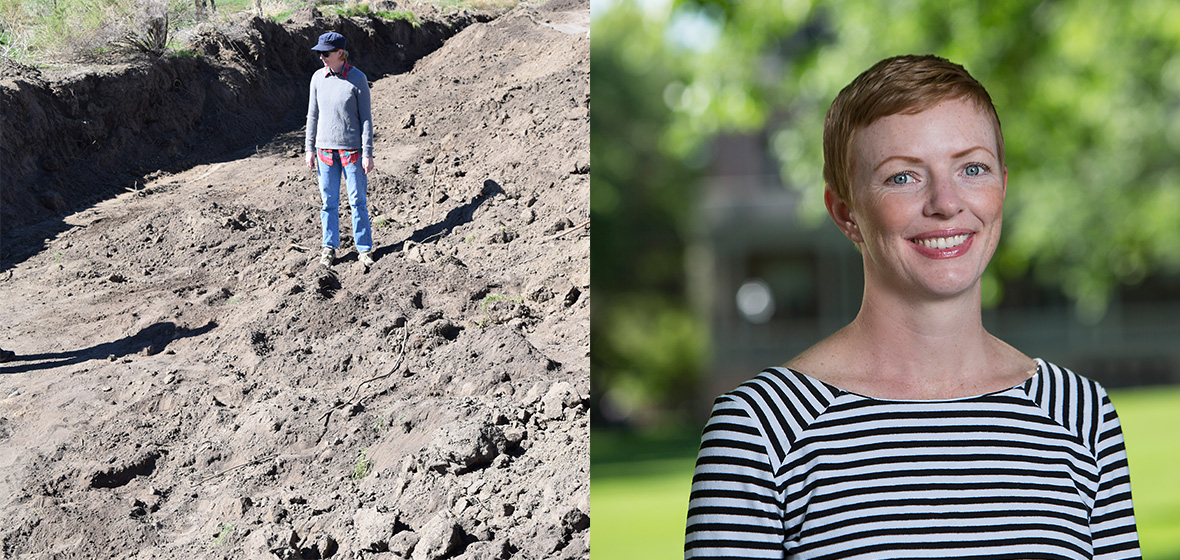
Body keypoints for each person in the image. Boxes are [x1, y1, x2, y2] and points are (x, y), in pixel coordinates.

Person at [684, 55, 1140, 559]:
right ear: (845, 212)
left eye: (972, 168)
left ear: (1002, 188)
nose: (946, 202)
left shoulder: (1082, 415)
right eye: (903, 177)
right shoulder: (760, 430)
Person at [305, 31, 376, 269]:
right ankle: (329, 248)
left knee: (357, 201)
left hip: (352, 152)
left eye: (326, 53)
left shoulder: (357, 79)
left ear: (340, 53)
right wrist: (309, 148)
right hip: (324, 151)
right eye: (320, 54)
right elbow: (312, 114)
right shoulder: (317, 78)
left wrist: (368, 153)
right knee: (328, 202)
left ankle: (364, 249)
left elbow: (366, 119)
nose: (322, 58)